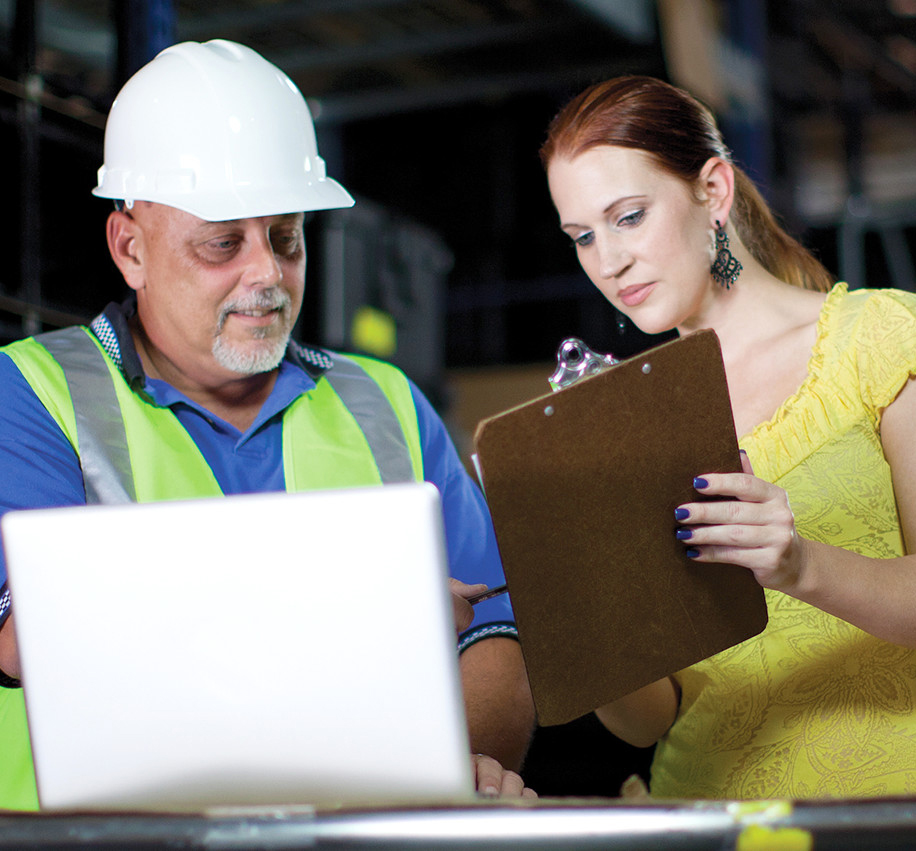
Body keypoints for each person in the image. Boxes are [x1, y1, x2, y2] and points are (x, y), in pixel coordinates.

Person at [0, 39, 534, 810]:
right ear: (131, 248)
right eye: (223, 243)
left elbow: (491, 638)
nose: (267, 276)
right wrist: (367, 604)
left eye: (286, 238)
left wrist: (469, 763)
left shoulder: (384, 402)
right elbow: (37, 637)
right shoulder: (32, 395)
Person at [540, 75, 916, 799]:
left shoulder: (878, 336)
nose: (608, 260)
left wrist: (797, 564)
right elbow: (650, 716)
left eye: (628, 217)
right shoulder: (622, 417)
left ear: (713, 190)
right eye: (583, 237)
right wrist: (578, 612)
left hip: (899, 810)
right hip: (710, 814)